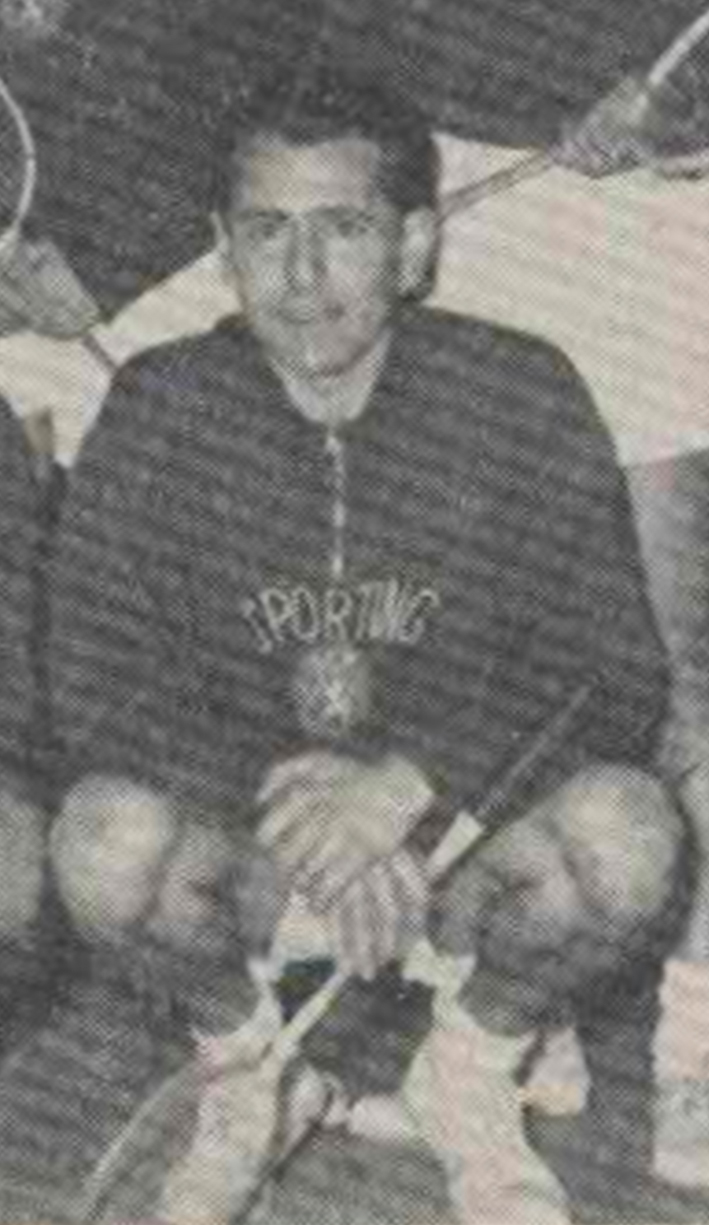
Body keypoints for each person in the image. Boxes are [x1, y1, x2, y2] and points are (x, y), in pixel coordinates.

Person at [46, 64, 687, 1222]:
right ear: (223, 247)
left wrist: (410, 785)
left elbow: (613, 667)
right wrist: (295, 812)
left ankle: (471, 1065)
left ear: (414, 245)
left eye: (342, 229)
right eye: (267, 231)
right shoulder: (158, 403)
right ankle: (251, 1073)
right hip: (260, 855)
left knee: (628, 831)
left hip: (459, 857)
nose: (302, 277)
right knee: (101, 839)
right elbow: (91, 679)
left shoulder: (518, 388)